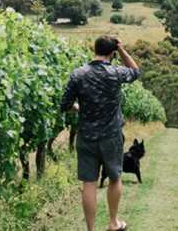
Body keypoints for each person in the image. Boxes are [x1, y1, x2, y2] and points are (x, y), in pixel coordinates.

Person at [61, 35, 140, 231]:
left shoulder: (78, 74)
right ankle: (113, 223)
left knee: (89, 183)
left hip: (86, 136)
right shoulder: (115, 72)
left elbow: (65, 105)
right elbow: (136, 71)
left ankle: (90, 229)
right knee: (114, 177)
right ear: (112, 53)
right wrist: (121, 49)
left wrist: (80, 108)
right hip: (111, 136)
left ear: (94, 50)